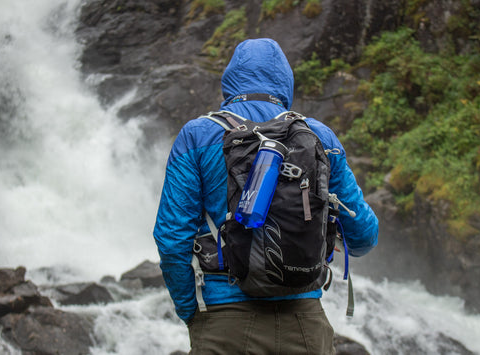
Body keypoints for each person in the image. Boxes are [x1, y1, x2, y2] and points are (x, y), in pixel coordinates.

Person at [153, 38, 378, 355]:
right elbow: (364, 236)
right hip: (304, 324)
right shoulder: (319, 137)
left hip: (223, 321)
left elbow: (171, 236)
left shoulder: (197, 134)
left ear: (230, 81)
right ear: (285, 82)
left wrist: (192, 313)